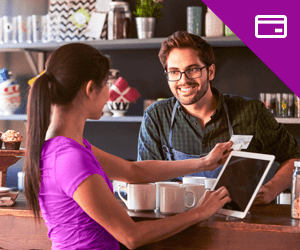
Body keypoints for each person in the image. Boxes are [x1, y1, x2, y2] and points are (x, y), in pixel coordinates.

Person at [23, 43, 233, 250]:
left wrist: (204, 163)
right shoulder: (70, 157)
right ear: (89, 89)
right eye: (106, 84)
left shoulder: (64, 147)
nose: (109, 94)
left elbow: (133, 171)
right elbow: (131, 236)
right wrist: (199, 212)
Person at [137, 30, 300, 205]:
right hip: (179, 224)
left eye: (192, 70)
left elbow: (294, 157)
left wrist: (271, 190)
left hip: (238, 225)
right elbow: (144, 175)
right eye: (174, 72)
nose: (183, 80)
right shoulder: (156, 115)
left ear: (211, 71)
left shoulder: (251, 112)